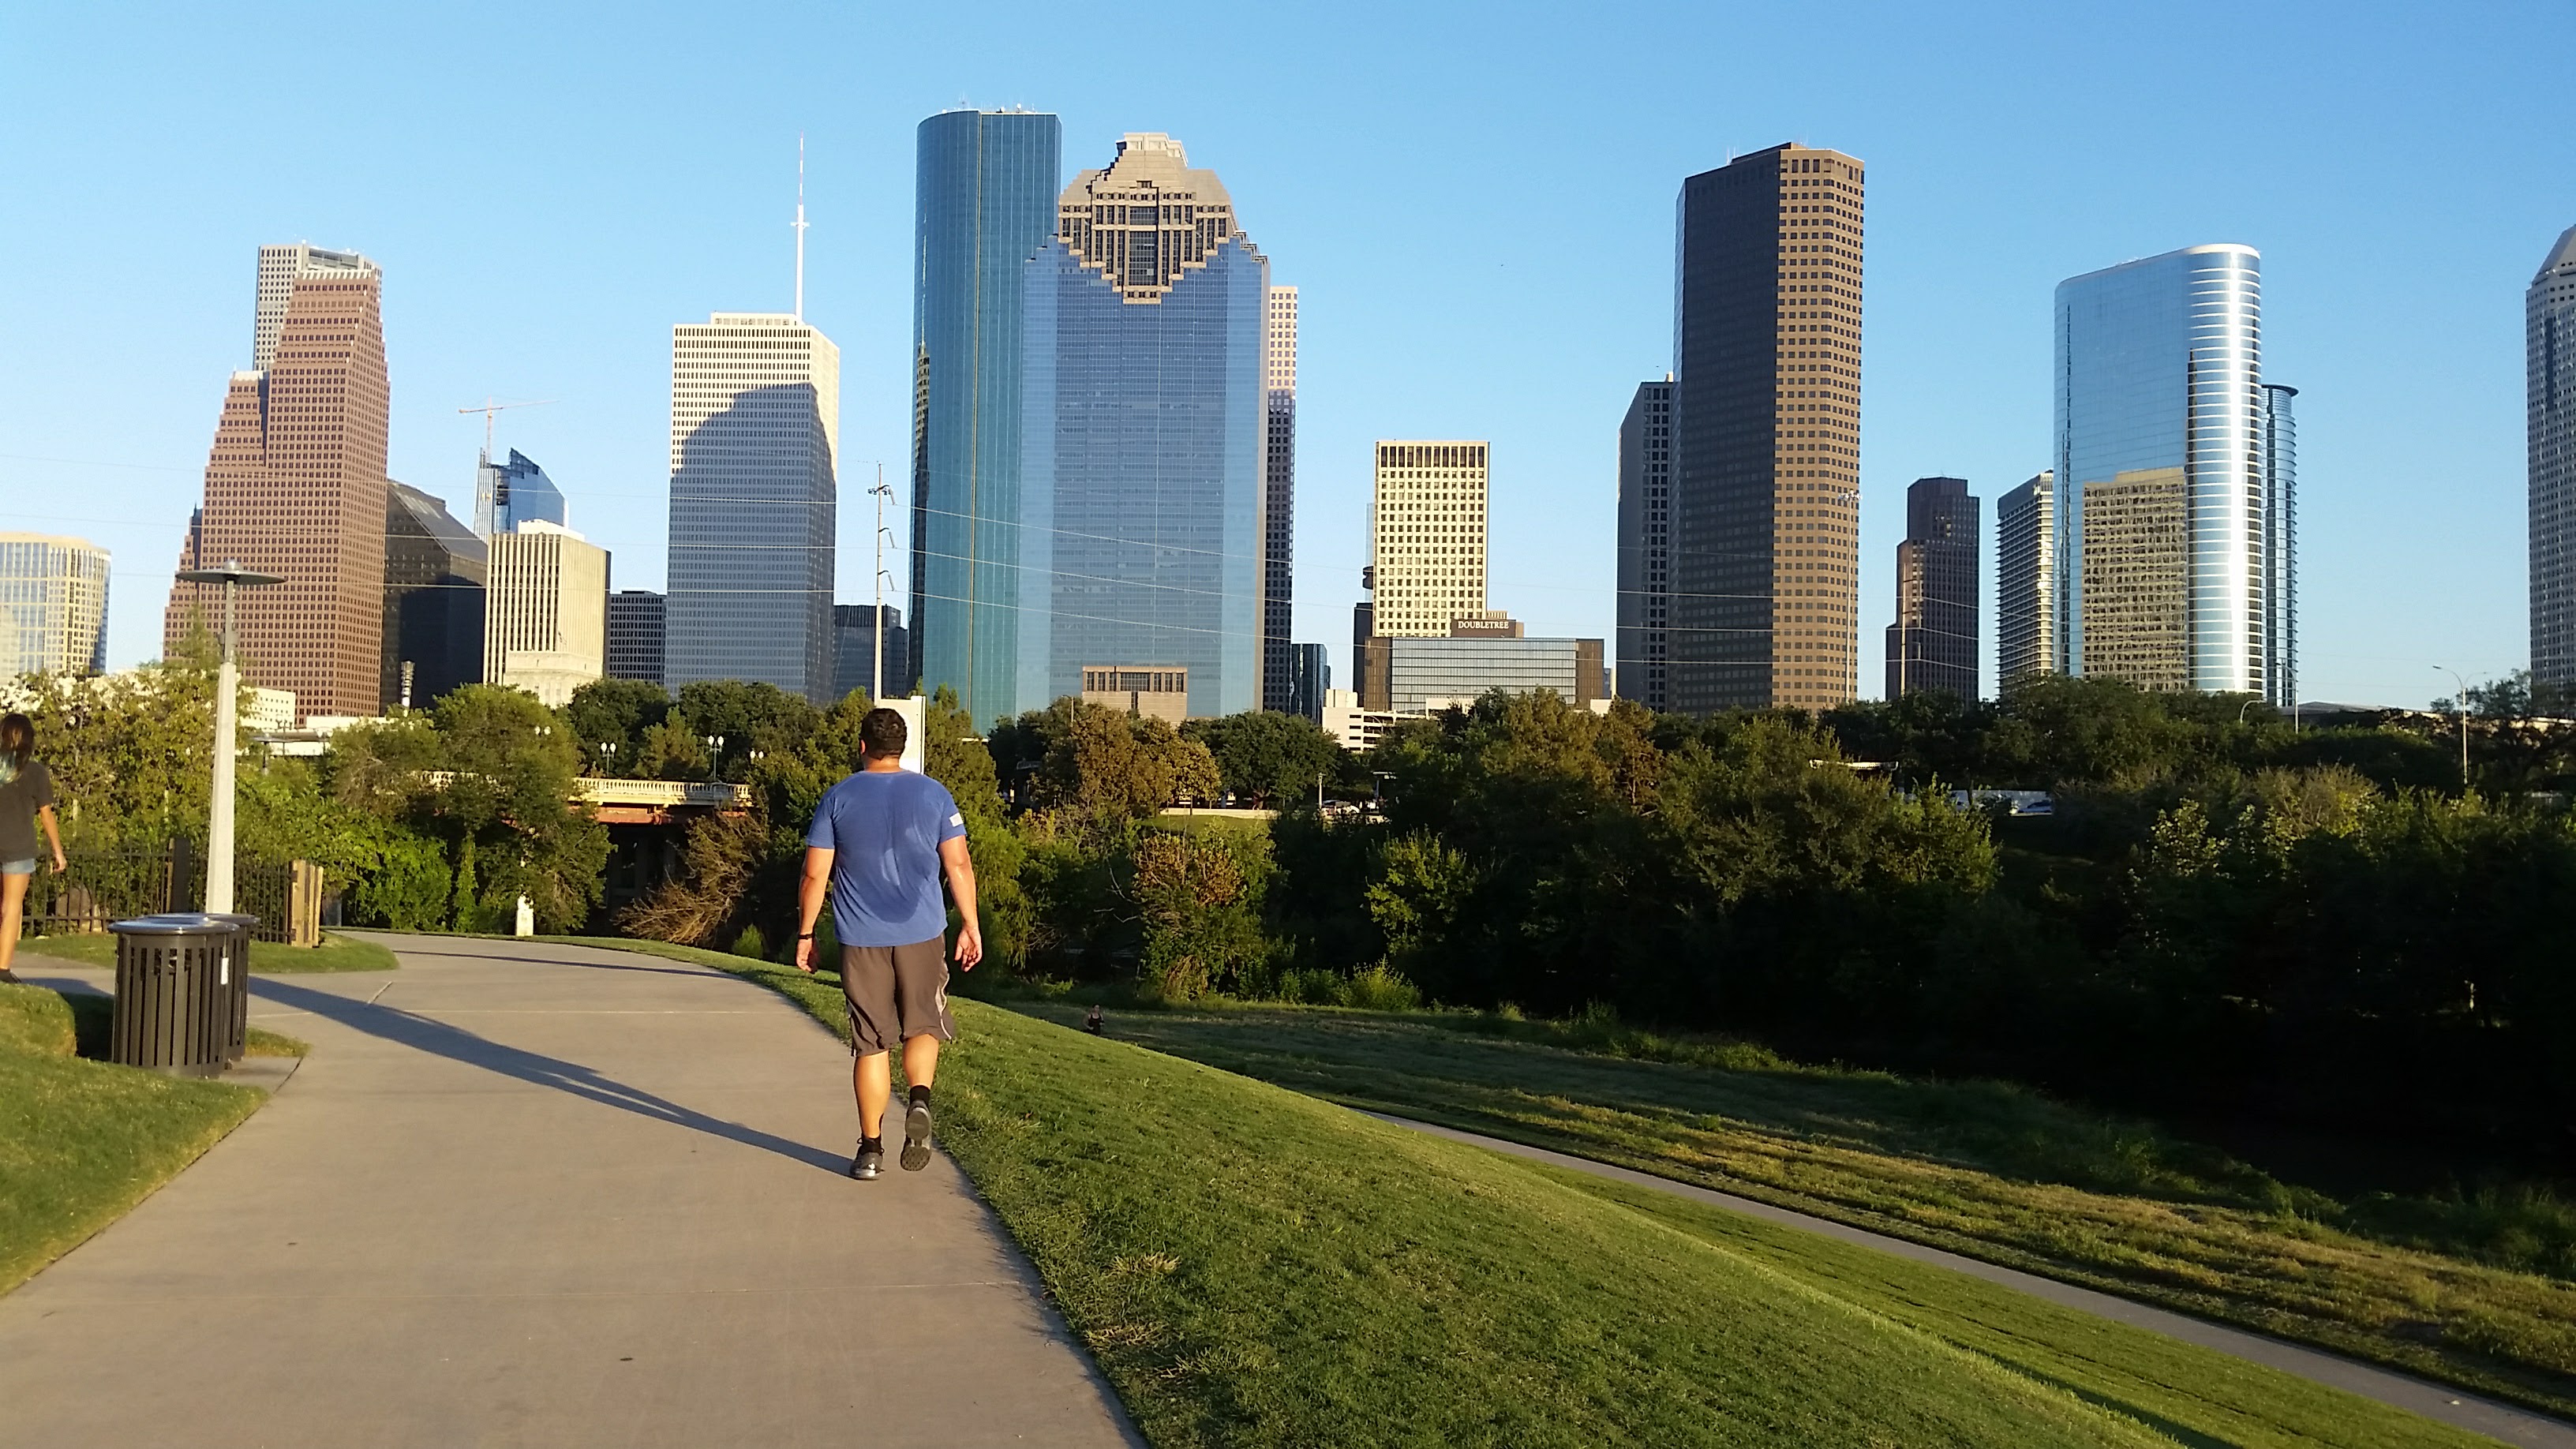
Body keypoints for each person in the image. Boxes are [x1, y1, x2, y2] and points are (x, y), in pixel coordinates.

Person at [795, 707, 982, 1179]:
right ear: (903, 748)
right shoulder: (935, 794)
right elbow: (959, 864)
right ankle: (918, 1100)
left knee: (872, 1044)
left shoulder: (837, 798)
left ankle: (871, 1151)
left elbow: (815, 874)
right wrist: (970, 924)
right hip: (922, 932)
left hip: (861, 939)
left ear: (862, 746)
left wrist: (806, 934)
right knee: (923, 1026)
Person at [0, 713, 68, 987]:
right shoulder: (36, 772)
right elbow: (46, 815)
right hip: (18, 846)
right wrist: (57, 851)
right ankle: (2, 969)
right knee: (11, 907)